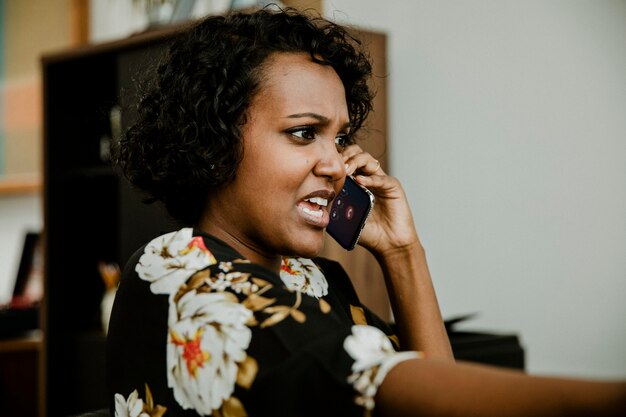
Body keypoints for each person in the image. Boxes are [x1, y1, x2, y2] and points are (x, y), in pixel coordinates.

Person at [107, 6, 626, 417]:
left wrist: (402, 252)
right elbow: (377, 383)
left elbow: (428, 386)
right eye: (304, 133)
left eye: (341, 138)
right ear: (213, 143)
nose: (336, 165)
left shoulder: (314, 280)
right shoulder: (179, 270)